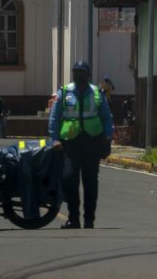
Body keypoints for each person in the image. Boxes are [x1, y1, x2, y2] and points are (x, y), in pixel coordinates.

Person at [49, 61, 113, 229]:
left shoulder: (97, 93)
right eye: (75, 72)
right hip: (70, 143)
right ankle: (73, 218)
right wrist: (54, 139)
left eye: (81, 72)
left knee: (90, 181)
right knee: (69, 178)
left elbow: (107, 118)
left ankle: (89, 219)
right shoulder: (64, 92)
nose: (78, 75)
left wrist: (107, 137)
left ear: (88, 74)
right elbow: (55, 118)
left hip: (92, 142)